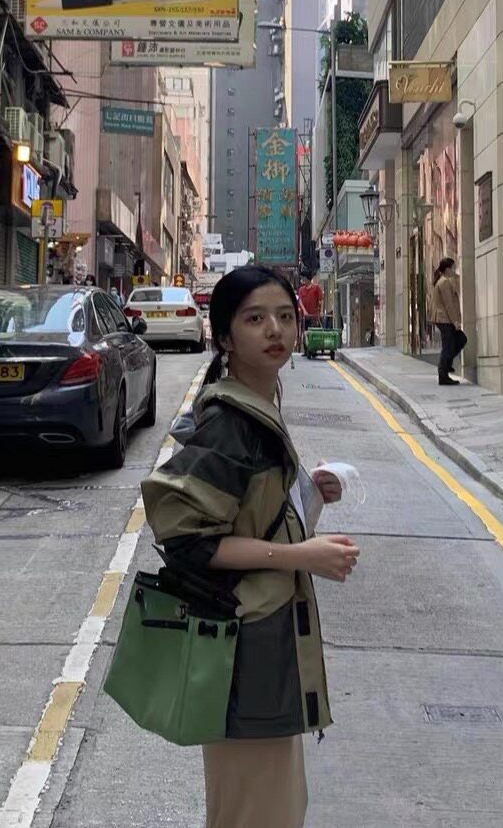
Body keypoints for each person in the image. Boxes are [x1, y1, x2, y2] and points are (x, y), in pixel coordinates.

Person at [141, 265, 359, 828]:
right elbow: (190, 541)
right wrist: (303, 557)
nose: (275, 330)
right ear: (224, 336)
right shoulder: (230, 423)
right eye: (255, 318)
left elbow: (250, 514)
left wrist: (307, 493)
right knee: (256, 811)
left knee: (274, 804)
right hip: (245, 642)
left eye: (285, 316)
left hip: (268, 632)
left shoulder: (259, 402)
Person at [430, 257, 466, 386]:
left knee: (460, 339)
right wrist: (455, 322)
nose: (454, 270)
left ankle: (447, 364)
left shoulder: (444, 280)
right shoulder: (444, 282)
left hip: (444, 318)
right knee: (449, 346)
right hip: (444, 319)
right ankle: (443, 374)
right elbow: (449, 304)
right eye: (453, 268)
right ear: (447, 269)